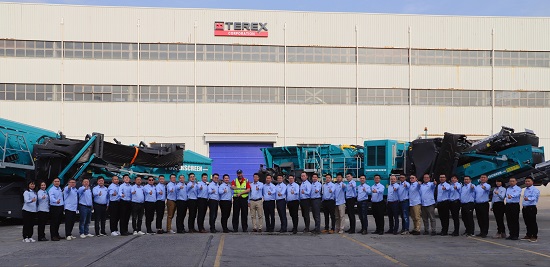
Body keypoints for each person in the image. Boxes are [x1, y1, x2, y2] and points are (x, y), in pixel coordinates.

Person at [522, 177, 540, 242]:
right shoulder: (526, 189)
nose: (527, 182)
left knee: (532, 222)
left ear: (532, 182)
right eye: (526, 181)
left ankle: (534, 236)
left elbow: (534, 198)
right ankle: (528, 234)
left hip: (531, 207)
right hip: (525, 207)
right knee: (527, 222)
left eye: (528, 181)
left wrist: (528, 199)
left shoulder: (535, 190)